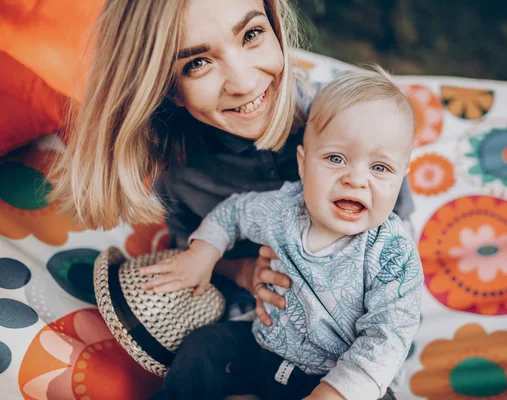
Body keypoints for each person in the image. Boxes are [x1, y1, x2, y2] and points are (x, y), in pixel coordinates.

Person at [50, 0, 416, 330]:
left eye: (252, 34)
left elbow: (399, 226)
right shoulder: (180, 173)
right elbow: (194, 248)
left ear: (275, 26)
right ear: (166, 88)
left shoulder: (349, 125)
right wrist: (242, 272)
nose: (244, 82)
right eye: (197, 63)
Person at [141, 66, 424, 400]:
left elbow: (387, 337)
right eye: (336, 158)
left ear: (402, 175)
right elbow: (233, 213)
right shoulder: (283, 207)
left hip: (341, 377)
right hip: (267, 349)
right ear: (303, 164)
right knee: (206, 346)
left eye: (379, 168)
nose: (356, 179)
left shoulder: (392, 252)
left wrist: (334, 393)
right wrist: (204, 251)